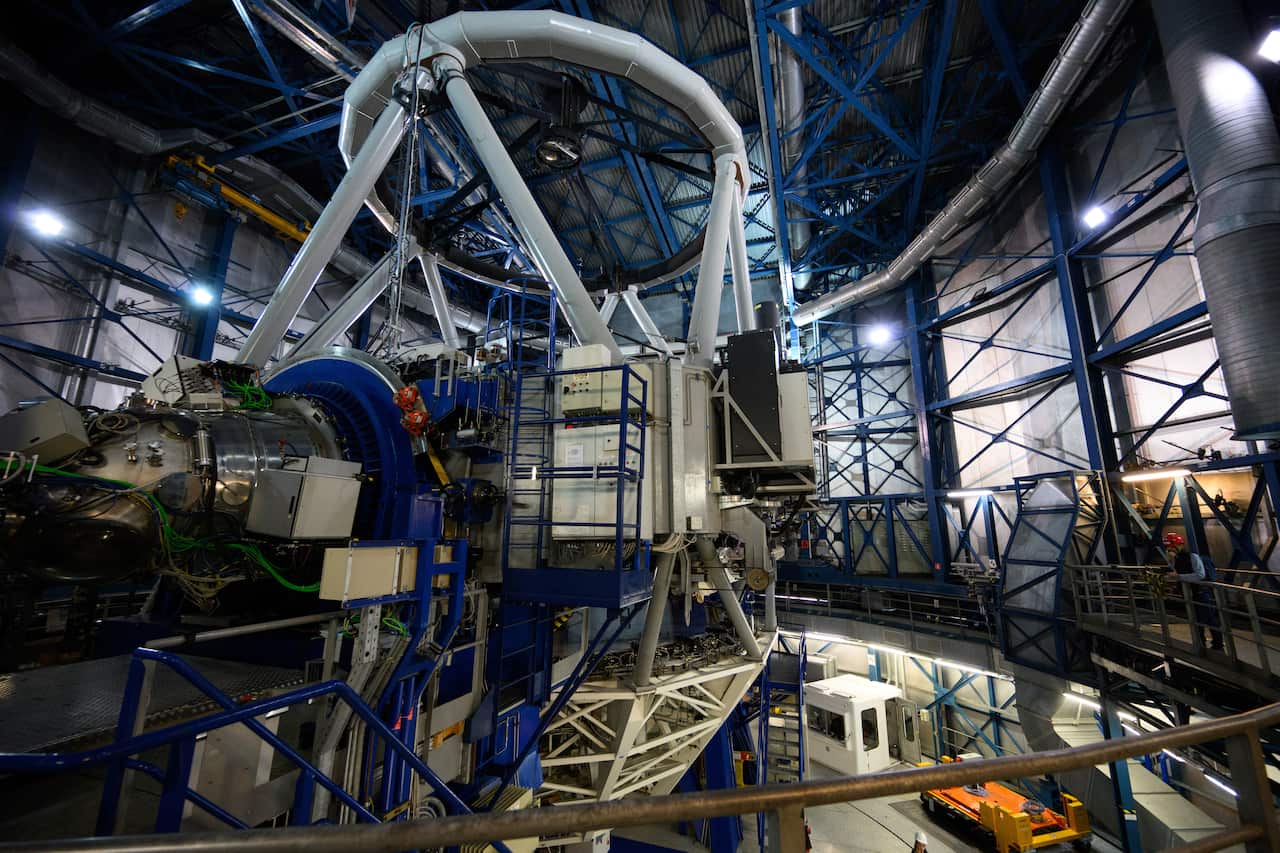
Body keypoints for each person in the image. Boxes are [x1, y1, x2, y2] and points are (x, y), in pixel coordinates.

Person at [1162, 532, 1223, 651]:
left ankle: (1218, 645)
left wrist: (1179, 577)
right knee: (1195, 620)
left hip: (1201, 593)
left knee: (1209, 619)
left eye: (1170, 547)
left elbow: (1200, 575)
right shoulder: (1176, 560)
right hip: (1190, 594)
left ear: (1177, 546)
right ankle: (1200, 643)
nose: (1168, 550)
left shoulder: (1193, 557)